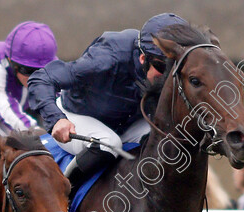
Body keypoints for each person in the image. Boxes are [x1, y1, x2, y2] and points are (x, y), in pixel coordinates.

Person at [28, 13, 186, 185]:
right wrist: (56, 119)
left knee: (171, 139)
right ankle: (64, 191)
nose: (169, 77)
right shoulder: (106, 58)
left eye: (175, 68)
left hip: (127, 124)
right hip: (79, 115)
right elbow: (42, 79)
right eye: (162, 67)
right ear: (143, 58)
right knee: (108, 143)